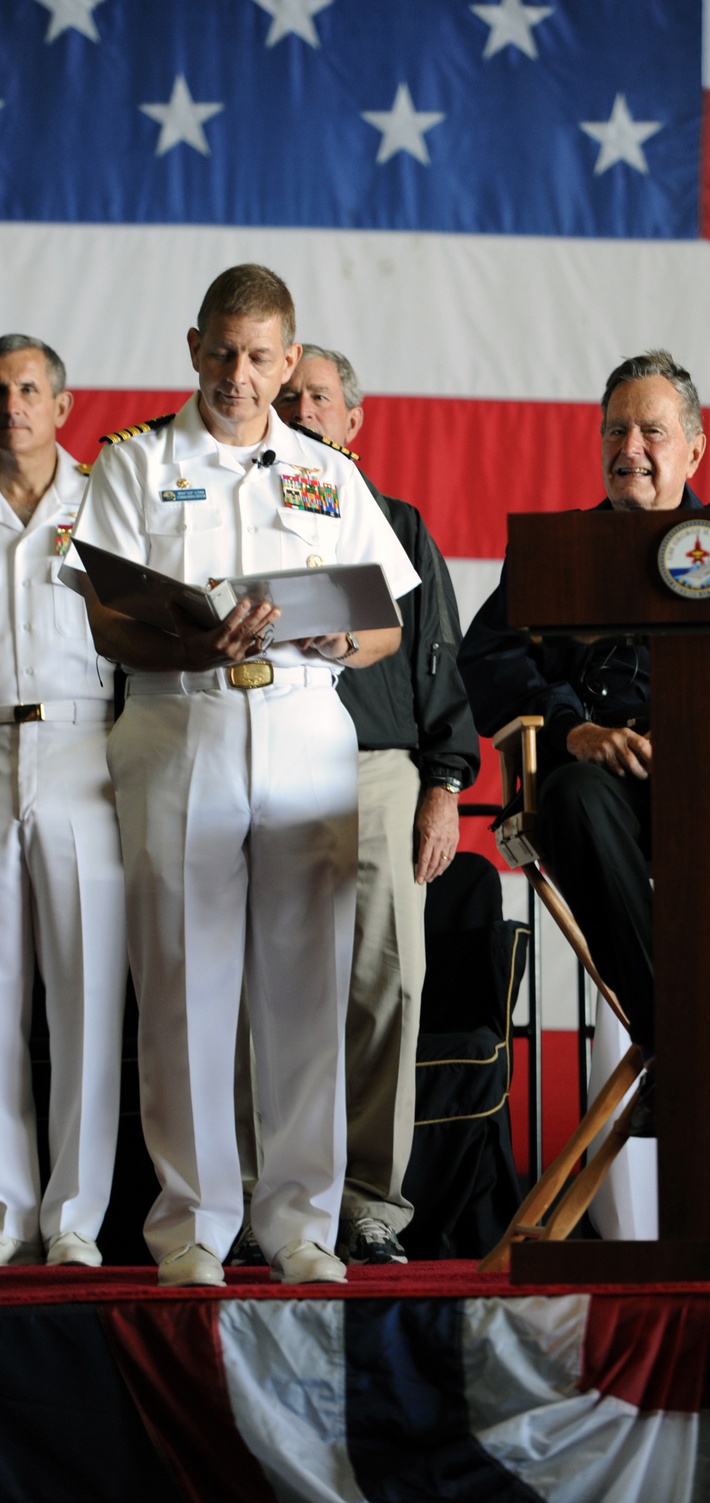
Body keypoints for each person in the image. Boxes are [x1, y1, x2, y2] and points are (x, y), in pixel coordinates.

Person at [71, 266, 420, 1287]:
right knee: (182, 986)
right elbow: (104, 615)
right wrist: (193, 649)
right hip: (182, 728)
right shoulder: (135, 463)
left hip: (304, 726)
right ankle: (191, 1228)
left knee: (306, 989)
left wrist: (336, 638)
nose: (240, 375)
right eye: (223, 352)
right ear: (192, 348)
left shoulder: (326, 473)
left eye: (262, 357)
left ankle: (302, 1224)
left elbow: (385, 624)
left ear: (289, 359)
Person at [458, 350, 710, 1179]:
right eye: (616, 429)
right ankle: (679, 1047)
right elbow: (485, 663)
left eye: (652, 430)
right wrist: (570, 727)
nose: (631, 445)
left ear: (693, 450)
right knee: (574, 795)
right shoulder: (561, 551)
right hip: (609, 773)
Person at [275, 346, 480, 1265]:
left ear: (354, 421)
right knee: (255, 989)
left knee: (386, 985)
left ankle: (369, 1203)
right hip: (263, 765)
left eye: (319, 396)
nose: (303, 407)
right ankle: (255, 1198)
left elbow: (444, 670)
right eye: (289, 397)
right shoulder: (243, 519)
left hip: (379, 771)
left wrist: (443, 788)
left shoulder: (395, 524)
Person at [0, 334, 128, 1269]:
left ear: (61, 405)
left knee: (84, 990)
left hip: (84, 741)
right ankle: (8, 1213)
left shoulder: (102, 501)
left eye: (28, 388)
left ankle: (74, 1217)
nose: (12, 404)